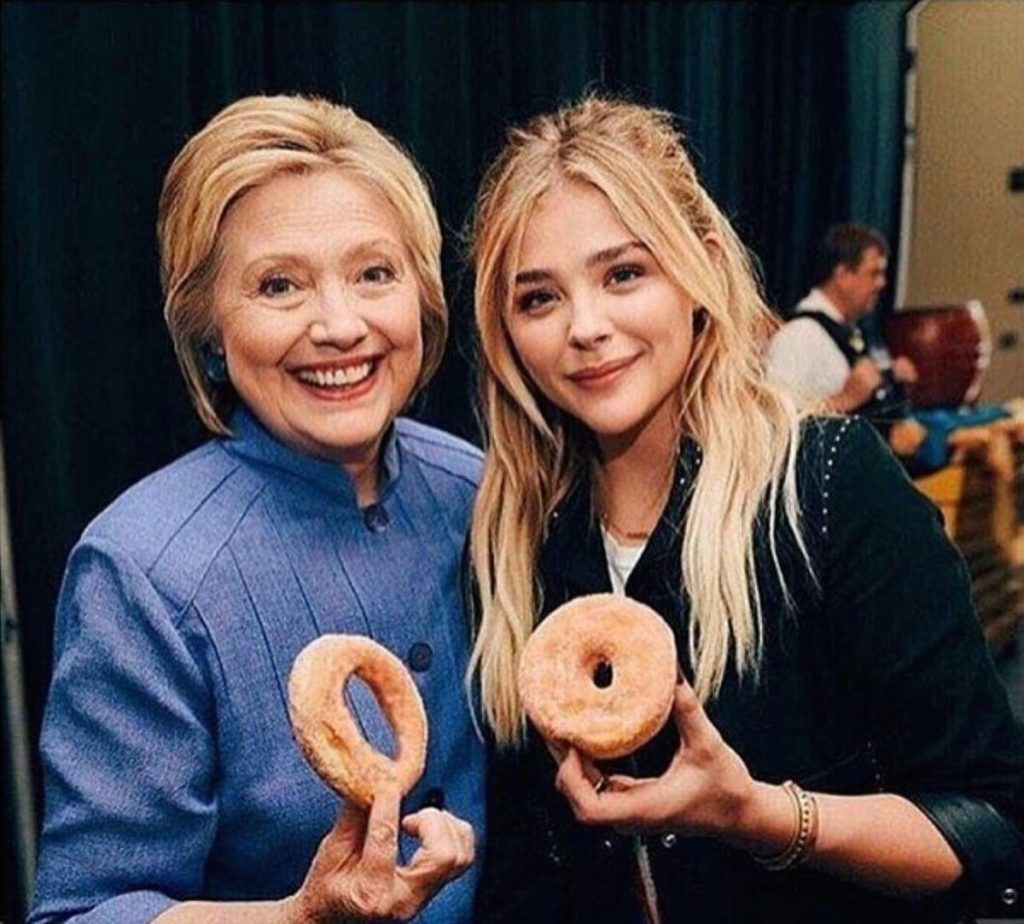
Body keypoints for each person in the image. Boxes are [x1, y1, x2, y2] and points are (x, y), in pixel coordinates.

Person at [466, 97, 1024, 924]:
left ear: (702, 266)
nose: (586, 327)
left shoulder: (828, 487)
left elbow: (989, 826)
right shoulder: (517, 538)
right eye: (539, 298)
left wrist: (760, 815)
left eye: (624, 273)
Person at [30, 95, 483, 924]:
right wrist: (297, 918)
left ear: (420, 291)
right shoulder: (143, 569)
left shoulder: (479, 493)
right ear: (208, 328)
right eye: (279, 285)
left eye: (374, 273)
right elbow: (83, 912)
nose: (340, 326)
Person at [765, 223, 918, 437]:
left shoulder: (850, 334)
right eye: (874, 274)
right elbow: (773, 420)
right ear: (843, 275)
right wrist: (845, 400)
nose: (882, 284)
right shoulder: (799, 336)